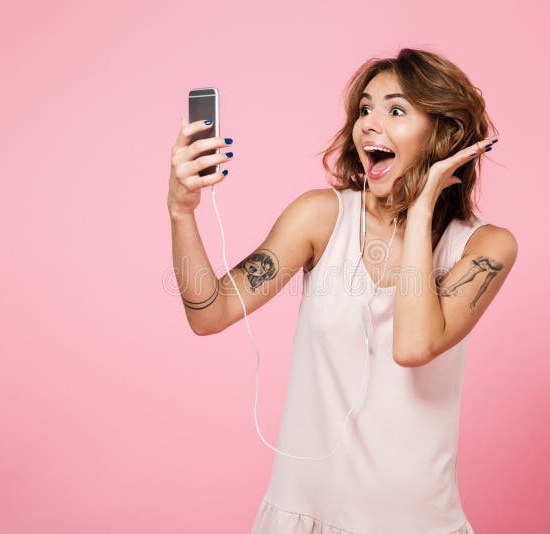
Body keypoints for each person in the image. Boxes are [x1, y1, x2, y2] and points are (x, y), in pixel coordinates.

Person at [167, 48, 518, 534]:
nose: (369, 124)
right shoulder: (321, 217)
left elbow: (414, 346)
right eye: (365, 109)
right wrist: (181, 212)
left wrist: (420, 210)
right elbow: (210, 314)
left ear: (445, 136)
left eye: (396, 110)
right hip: (305, 517)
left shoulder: (485, 246)